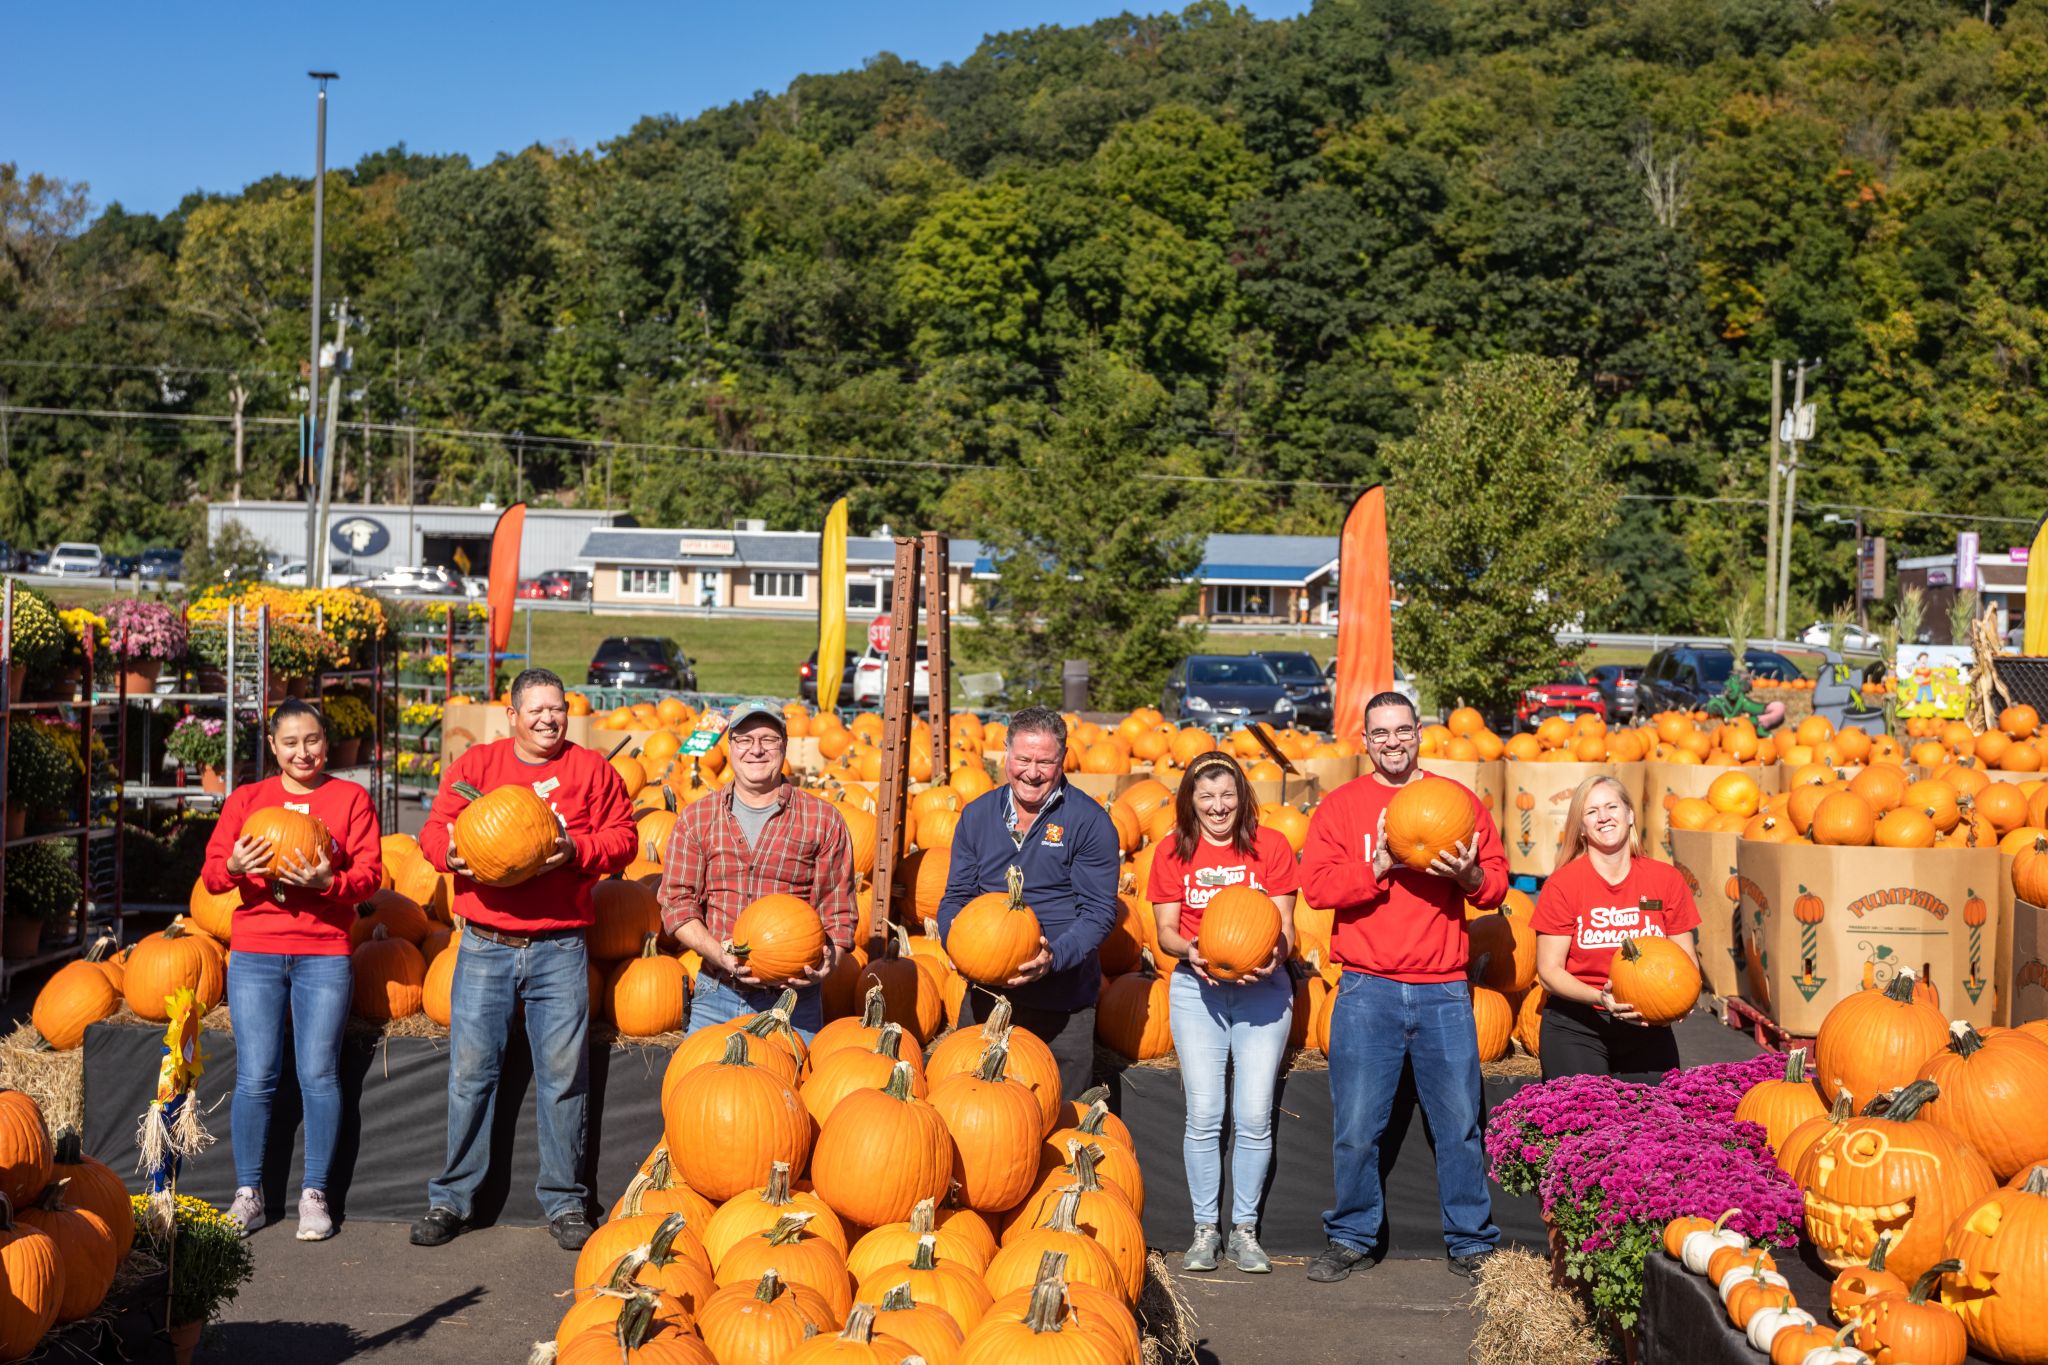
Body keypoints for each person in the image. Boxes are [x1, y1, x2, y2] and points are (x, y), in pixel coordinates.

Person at [411, 668, 637, 1252]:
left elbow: (625, 839)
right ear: (511, 715)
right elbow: (433, 832)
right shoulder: (477, 769)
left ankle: (565, 1203)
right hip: (485, 944)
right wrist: (453, 854)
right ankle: (451, 1199)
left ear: (568, 713)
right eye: (534, 709)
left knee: (564, 1080)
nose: (547, 719)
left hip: (560, 948)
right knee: (469, 1075)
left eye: (557, 709)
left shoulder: (591, 771)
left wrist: (576, 851)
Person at [1298, 691, 1507, 1284]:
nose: (1392, 742)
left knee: (1460, 1123)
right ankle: (1352, 1235)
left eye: (1402, 730)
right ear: (1365, 741)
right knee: (1358, 1126)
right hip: (1367, 988)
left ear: (1419, 733)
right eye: (1380, 733)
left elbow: (1494, 885)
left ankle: (1470, 1240)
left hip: (1443, 988)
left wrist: (1468, 876)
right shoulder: (1342, 807)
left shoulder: (1457, 801)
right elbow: (1316, 888)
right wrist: (1379, 867)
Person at [202, 700, 382, 1242]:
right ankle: (249, 1193)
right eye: (290, 743)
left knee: (319, 1075)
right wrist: (233, 867)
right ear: (274, 747)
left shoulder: (350, 798)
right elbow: (212, 874)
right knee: (256, 1075)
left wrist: (332, 882)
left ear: (325, 742)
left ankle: (315, 1194)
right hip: (256, 953)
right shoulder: (248, 800)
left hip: (323, 952)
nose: (303, 752)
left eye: (312, 740)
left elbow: (372, 874)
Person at [1146, 751, 1298, 1275]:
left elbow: (1286, 926)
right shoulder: (1171, 853)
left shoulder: (1271, 847)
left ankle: (1245, 1230)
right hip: (1197, 990)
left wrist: (1274, 955)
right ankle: (1205, 1229)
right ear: (1191, 800)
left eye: (1227, 795)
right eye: (1206, 796)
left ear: (1242, 798)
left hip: (1263, 990)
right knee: (1205, 1115)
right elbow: (1165, 931)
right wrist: (1189, 950)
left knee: (1254, 1116)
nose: (1218, 806)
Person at [937, 706, 1118, 1099]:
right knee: (975, 1110)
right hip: (985, 996)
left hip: (1062, 1001)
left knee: (1058, 1112)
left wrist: (1054, 958)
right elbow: (956, 896)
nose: (1032, 773)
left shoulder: (1088, 821)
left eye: (1045, 761)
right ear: (1005, 754)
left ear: (1063, 759)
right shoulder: (977, 816)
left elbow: (1098, 912)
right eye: (1022, 759)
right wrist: (954, 939)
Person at [658, 703, 855, 1039]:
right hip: (716, 993)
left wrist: (827, 964)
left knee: (786, 1091)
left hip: (793, 1001)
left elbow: (839, 915)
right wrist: (720, 955)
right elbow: (677, 905)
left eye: (768, 739)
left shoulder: (823, 820)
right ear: (730, 747)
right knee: (702, 1088)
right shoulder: (696, 818)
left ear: (784, 746)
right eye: (744, 739)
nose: (756, 749)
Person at [1531, 776, 1701, 1079]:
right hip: (1578, 1025)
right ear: (1581, 827)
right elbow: (1549, 972)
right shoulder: (1563, 884)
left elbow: (1687, 961)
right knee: (1585, 1122)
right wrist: (1601, 999)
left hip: (1648, 1023)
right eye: (1591, 811)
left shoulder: (1665, 879)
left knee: (1653, 1124)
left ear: (1630, 814)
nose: (1604, 817)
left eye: (1612, 806)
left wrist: (1685, 996)